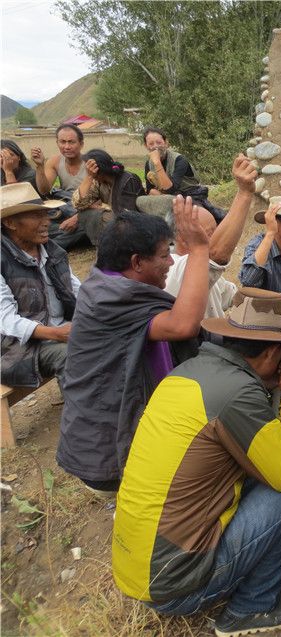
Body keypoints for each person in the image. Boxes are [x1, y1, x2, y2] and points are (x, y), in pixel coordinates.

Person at [112, 288, 281, 637]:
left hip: (136, 566)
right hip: (174, 585)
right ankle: (252, 606)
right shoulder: (238, 393)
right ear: (272, 352)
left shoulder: (186, 371)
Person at [56, 199, 210, 497]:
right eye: (164, 255)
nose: (171, 263)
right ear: (137, 262)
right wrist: (200, 250)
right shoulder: (111, 297)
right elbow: (183, 325)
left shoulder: (106, 282)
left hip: (100, 446)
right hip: (106, 459)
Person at [1, 183, 79, 397]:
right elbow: (6, 321)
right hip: (18, 347)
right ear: (10, 223)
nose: (47, 222)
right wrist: (56, 333)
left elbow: (76, 290)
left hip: (61, 330)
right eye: (37, 216)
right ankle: (84, 414)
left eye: (45, 214)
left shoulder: (52, 251)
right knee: (71, 355)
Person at [164, 155, 256, 318]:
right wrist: (244, 193)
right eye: (208, 234)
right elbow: (216, 254)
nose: (216, 238)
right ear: (182, 237)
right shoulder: (173, 268)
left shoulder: (212, 277)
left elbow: (234, 296)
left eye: (216, 231)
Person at [138, 127, 225, 222]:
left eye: (159, 142)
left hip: (191, 196)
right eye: (151, 144)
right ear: (146, 146)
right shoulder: (149, 164)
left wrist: (157, 163)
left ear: (166, 142)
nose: (156, 147)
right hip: (167, 198)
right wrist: (162, 196)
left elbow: (170, 189)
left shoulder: (179, 160)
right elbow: (150, 189)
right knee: (140, 202)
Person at [66, 149, 145, 246]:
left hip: (132, 224)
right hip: (116, 220)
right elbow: (78, 203)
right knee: (82, 215)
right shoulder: (99, 182)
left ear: (97, 169)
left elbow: (127, 215)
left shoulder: (128, 179)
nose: (87, 171)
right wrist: (89, 177)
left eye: (88, 168)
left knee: (88, 215)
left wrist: (100, 208)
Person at [31, 124, 89, 250]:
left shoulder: (90, 163)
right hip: (63, 208)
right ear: (57, 143)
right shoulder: (55, 161)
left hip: (85, 209)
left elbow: (101, 199)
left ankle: (49, 247)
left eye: (71, 142)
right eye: (62, 142)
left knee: (88, 222)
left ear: (81, 144)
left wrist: (77, 218)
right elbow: (44, 190)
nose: (67, 147)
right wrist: (40, 166)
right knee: (37, 222)